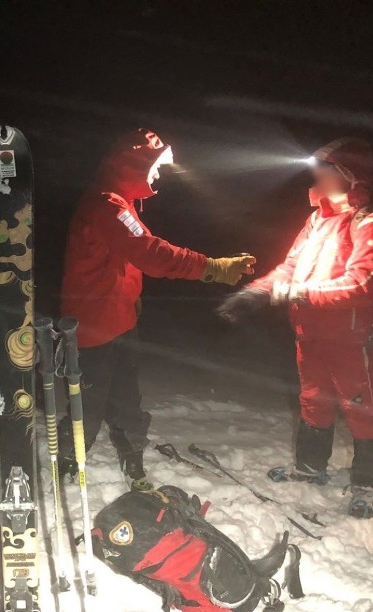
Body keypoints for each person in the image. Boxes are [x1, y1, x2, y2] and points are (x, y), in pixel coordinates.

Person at [60, 128, 256, 489]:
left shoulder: (122, 202)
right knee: (87, 401)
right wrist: (212, 268)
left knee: (127, 399)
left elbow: (130, 259)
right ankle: (71, 464)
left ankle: (132, 454)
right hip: (93, 327)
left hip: (120, 321)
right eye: (153, 167)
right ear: (133, 165)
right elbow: (150, 253)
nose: (158, 174)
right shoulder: (107, 205)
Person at [219, 137, 373, 518]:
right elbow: (290, 267)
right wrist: (255, 293)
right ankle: (309, 468)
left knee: (359, 408)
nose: (317, 172)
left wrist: (301, 292)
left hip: (351, 338)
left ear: (348, 174)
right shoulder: (317, 219)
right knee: (312, 400)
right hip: (310, 333)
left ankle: (367, 485)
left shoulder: (372, 222)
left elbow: (363, 283)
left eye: (326, 166)